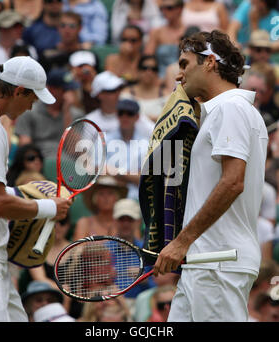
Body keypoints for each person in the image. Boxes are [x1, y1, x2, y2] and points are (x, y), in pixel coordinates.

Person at [153, 30, 268, 322]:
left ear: (210, 62)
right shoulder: (223, 111)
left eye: (184, 64)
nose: (179, 76)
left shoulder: (230, 107)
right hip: (205, 262)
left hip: (218, 262)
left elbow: (232, 182)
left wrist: (181, 241)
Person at [0, 56, 72, 322]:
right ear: (19, 91)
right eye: (32, 98)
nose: (32, 108)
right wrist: (48, 207)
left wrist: (18, 195)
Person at [14, 67, 80, 160]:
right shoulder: (30, 111)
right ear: (51, 89)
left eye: (71, 90)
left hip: (67, 166)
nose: (69, 94)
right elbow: (25, 146)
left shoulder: (76, 114)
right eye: (65, 90)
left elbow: (74, 150)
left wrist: (67, 113)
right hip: (39, 163)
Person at [105, 98, 150, 200]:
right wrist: (132, 176)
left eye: (129, 113)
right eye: (121, 113)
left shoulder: (146, 144)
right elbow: (98, 171)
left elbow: (146, 179)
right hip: (111, 198)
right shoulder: (106, 140)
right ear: (117, 115)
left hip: (137, 200)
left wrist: (117, 172)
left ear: (137, 117)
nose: (125, 117)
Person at [88, 70, 154, 137]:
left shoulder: (132, 114)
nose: (117, 93)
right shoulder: (90, 121)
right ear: (99, 95)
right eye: (112, 91)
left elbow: (155, 134)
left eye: (119, 88)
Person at [72, 175, 128, 240]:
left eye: (110, 193)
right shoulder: (84, 222)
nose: (106, 197)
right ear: (95, 199)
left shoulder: (125, 223)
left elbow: (135, 246)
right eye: (101, 193)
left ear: (117, 198)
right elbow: (77, 249)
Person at [120, 54, 171, 122]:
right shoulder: (125, 94)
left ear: (157, 73)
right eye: (144, 68)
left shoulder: (167, 96)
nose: (149, 72)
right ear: (138, 70)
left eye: (153, 69)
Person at [144, 0, 185, 79]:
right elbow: (148, 58)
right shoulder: (157, 32)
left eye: (169, 8)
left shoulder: (188, 31)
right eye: (162, 8)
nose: (164, 11)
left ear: (180, 9)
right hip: (160, 78)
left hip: (184, 78)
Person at [69, 50, 100, 114]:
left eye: (86, 65)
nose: (83, 69)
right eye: (79, 66)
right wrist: (76, 80)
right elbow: (76, 104)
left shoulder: (100, 80)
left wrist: (93, 80)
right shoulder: (70, 80)